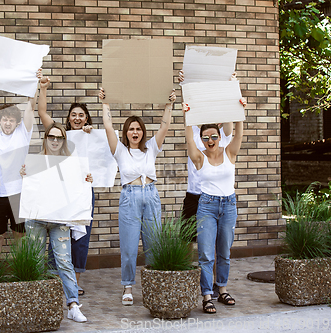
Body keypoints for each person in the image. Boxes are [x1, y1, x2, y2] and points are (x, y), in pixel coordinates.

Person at [99, 87, 176, 306]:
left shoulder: (151, 148)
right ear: (126, 133)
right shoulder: (120, 151)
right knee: (130, 246)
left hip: (151, 196)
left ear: (143, 132)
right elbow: (107, 126)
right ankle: (128, 287)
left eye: (138, 129)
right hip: (130, 198)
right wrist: (105, 102)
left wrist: (169, 103)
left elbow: (165, 125)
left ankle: (153, 285)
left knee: (153, 244)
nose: (135, 132)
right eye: (131, 129)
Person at [20, 122, 91, 323]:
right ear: (45, 139)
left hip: (60, 220)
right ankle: (34, 303)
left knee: (64, 261)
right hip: (36, 219)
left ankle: (73, 305)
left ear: (63, 140)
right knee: (34, 260)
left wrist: (86, 180)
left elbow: (76, 190)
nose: (55, 141)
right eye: (51, 137)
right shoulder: (35, 162)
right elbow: (30, 189)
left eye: (59, 138)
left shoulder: (71, 164)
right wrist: (24, 175)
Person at [183, 96, 247, 314]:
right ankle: (207, 295)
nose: (210, 140)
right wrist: (187, 116)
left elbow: (239, 132)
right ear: (202, 140)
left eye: (213, 136)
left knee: (224, 251)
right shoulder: (199, 158)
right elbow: (189, 141)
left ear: (219, 136)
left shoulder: (230, 152)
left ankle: (222, 289)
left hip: (229, 205)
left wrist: (240, 112)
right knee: (206, 253)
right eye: (205, 138)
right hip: (207, 207)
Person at [37, 69, 94, 296]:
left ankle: (76, 281)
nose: (77, 118)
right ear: (69, 118)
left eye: (81, 115)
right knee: (58, 232)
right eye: (74, 115)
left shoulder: (91, 135)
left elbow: (100, 162)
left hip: (82, 191)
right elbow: (42, 111)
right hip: (58, 191)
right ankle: (54, 279)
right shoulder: (59, 134)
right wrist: (43, 88)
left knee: (80, 236)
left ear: (87, 118)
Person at [0, 73, 38, 258]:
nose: (7, 123)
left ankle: (23, 274)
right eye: (4, 119)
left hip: (18, 193)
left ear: (17, 122)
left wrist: (35, 82)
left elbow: (31, 107)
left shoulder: (23, 133)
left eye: (11, 120)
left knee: (20, 235)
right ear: (0, 120)